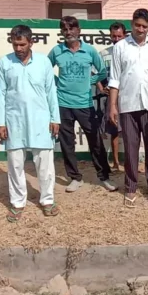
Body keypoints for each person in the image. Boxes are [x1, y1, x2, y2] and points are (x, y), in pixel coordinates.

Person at [0, 25, 60, 222]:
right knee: (15, 164)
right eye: (15, 44)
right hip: (14, 120)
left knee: (45, 165)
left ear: (31, 42)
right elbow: (0, 93)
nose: (19, 49)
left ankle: (47, 200)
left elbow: (51, 92)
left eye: (22, 44)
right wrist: (0, 122)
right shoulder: (4, 62)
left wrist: (55, 118)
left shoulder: (44, 62)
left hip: (41, 119)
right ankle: (17, 203)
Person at [48, 16, 116, 193]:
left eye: (72, 28)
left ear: (79, 30)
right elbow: (45, 71)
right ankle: (74, 178)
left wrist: (89, 82)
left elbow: (101, 72)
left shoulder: (90, 51)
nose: (68, 32)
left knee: (95, 140)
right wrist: (57, 82)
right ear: (61, 32)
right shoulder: (57, 51)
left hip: (84, 103)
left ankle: (104, 177)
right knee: (67, 143)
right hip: (63, 103)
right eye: (65, 29)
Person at [109, 8, 148, 209]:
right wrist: (112, 106)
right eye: (137, 25)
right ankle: (131, 188)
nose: (140, 29)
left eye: (144, 26)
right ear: (131, 24)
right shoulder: (120, 47)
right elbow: (114, 78)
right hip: (128, 105)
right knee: (131, 150)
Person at [97, 21, 127, 172]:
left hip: (128, 96)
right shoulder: (104, 54)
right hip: (112, 98)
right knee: (114, 130)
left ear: (125, 35)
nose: (116, 39)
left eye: (119, 36)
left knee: (131, 131)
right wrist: (102, 89)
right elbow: (94, 73)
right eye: (113, 36)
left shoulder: (130, 52)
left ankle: (130, 164)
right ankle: (115, 162)